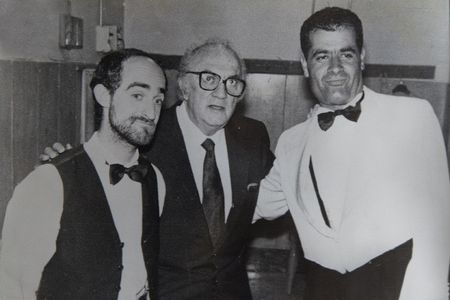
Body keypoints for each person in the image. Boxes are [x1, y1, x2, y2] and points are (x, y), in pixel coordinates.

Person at [41, 39, 274, 299]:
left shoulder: (252, 137)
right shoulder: (146, 134)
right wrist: (68, 165)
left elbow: (285, 188)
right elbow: (98, 173)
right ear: (184, 86)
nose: (221, 93)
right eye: (209, 79)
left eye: (232, 82)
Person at [254, 7, 450, 300]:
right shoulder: (290, 142)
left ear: (362, 57)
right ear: (305, 65)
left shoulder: (413, 116)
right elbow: (255, 206)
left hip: (394, 288)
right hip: (321, 290)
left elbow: (437, 221)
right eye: (322, 56)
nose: (335, 68)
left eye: (345, 54)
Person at [0, 48, 167, 300]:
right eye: (137, 95)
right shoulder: (48, 183)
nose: (151, 113)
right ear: (104, 95)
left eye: (158, 100)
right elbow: (12, 288)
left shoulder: (154, 178)